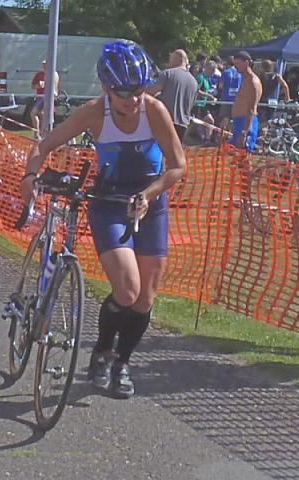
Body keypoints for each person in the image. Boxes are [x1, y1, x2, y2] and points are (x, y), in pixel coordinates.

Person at [19, 41, 186, 398]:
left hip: (149, 202)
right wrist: (30, 175)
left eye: (139, 90)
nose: (134, 100)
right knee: (127, 289)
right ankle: (102, 351)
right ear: (106, 88)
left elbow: (178, 166)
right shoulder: (94, 113)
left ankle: (121, 362)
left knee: (145, 299)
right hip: (109, 202)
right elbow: (43, 145)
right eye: (125, 94)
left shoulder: (154, 111)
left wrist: (150, 194)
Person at [146, 49, 198, 144]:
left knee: (158, 150)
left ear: (179, 59)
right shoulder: (194, 82)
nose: (169, 60)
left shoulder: (168, 73)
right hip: (183, 125)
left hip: (165, 121)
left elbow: (152, 91)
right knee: (175, 151)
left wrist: (138, 92)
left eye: (171, 57)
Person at [229, 51, 262, 152]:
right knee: (235, 155)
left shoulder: (253, 82)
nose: (236, 66)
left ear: (246, 63)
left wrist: (244, 132)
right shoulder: (245, 80)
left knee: (243, 155)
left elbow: (251, 108)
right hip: (239, 121)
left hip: (246, 123)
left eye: (238, 64)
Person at [30, 59, 61, 135]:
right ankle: (41, 133)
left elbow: (55, 87)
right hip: (40, 97)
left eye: (46, 64)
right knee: (41, 114)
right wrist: (38, 86)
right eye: (43, 64)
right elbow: (32, 86)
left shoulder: (54, 74)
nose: (44, 66)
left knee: (34, 113)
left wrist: (55, 95)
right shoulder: (39, 74)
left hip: (48, 98)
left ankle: (38, 134)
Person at [190, 63, 216, 143]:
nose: (213, 72)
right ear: (207, 68)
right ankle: (206, 139)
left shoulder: (206, 79)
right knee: (208, 121)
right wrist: (209, 96)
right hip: (198, 104)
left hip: (203, 104)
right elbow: (196, 90)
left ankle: (206, 139)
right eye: (212, 70)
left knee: (198, 123)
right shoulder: (200, 77)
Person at [258, 59, 290, 124]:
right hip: (273, 101)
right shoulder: (277, 76)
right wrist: (287, 98)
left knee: (262, 121)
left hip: (262, 101)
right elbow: (285, 86)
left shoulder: (259, 76)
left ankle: (264, 129)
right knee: (270, 121)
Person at [216, 56, 242, 137]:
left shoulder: (226, 72)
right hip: (236, 100)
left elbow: (220, 86)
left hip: (226, 98)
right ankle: (229, 136)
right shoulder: (240, 73)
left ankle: (220, 136)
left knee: (225, 118)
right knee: (233, 120)